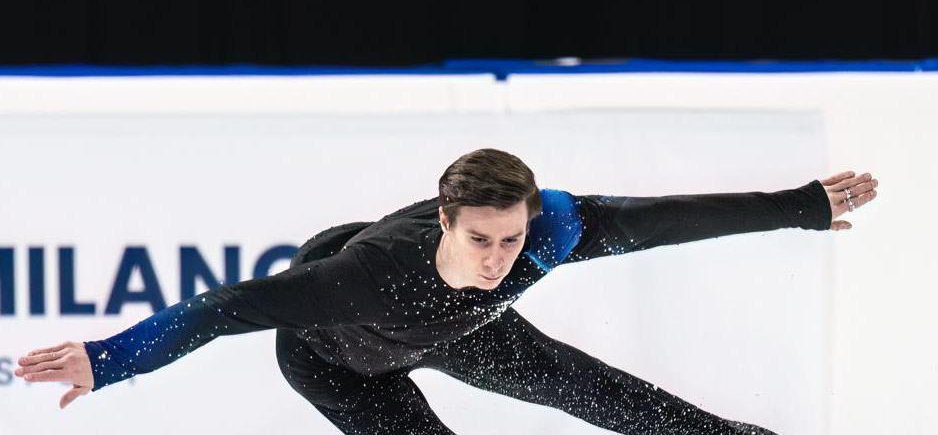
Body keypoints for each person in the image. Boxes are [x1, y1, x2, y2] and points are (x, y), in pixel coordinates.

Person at [15, 148, 878, 434]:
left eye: (510, 237)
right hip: (338, 362)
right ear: (444, 219)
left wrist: (799, 207)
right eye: (479, 238)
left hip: (460, 331)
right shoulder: (360, 276)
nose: (501, 255)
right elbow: (219, 308)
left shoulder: (547, 234)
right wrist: (107, 357)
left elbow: (660, 221)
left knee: (614, 398)